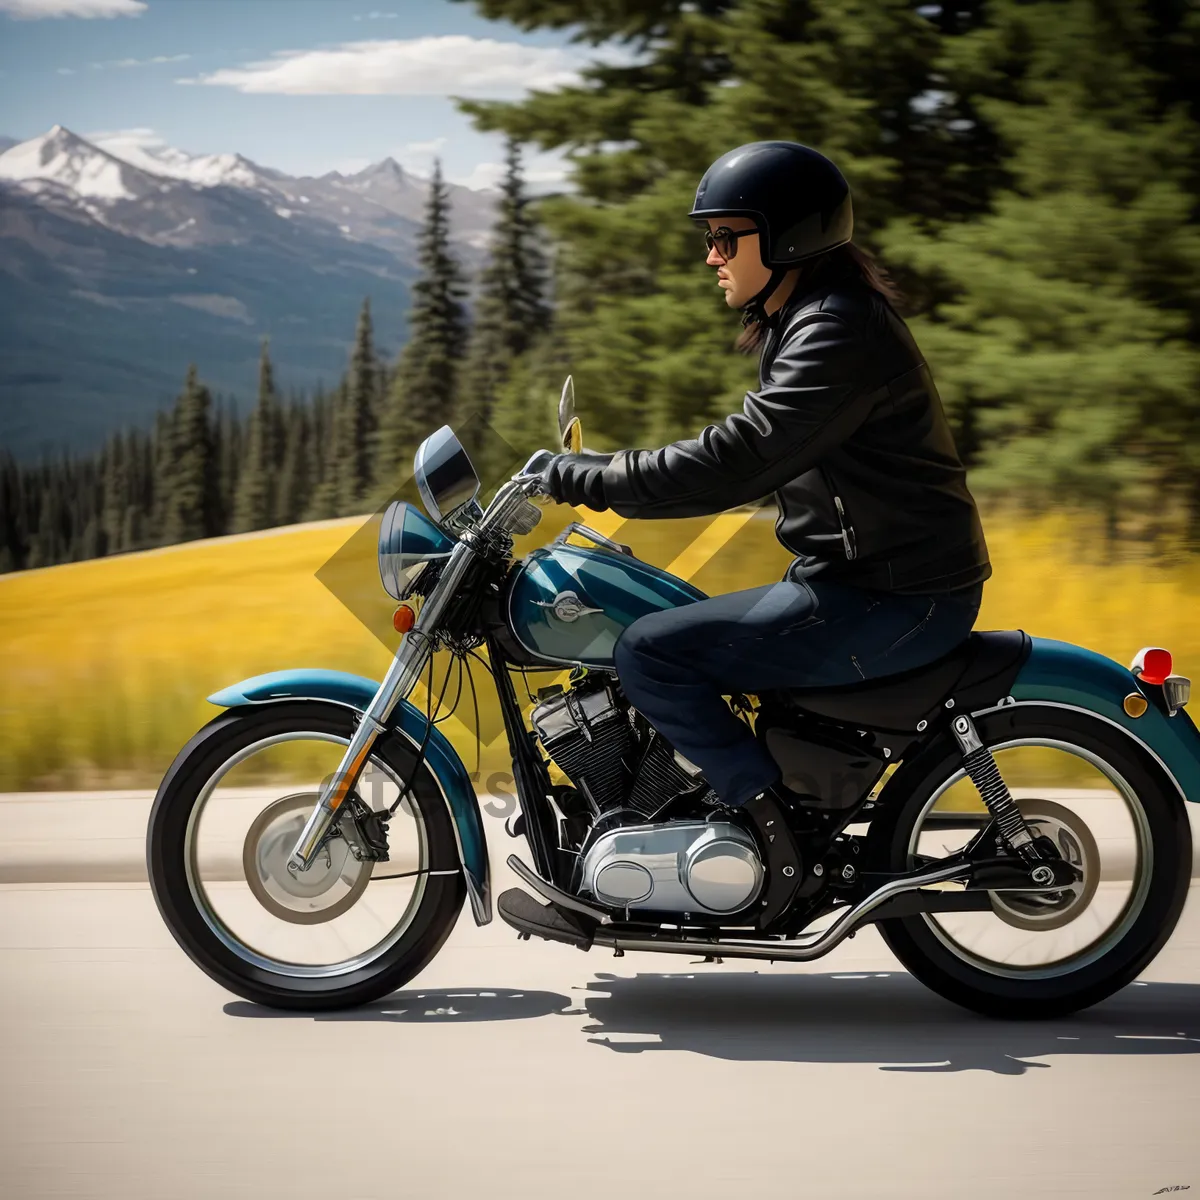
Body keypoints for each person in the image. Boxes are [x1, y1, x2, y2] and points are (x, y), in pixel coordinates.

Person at [536, 140, 991, 812]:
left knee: (652, 654)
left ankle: (763, 823)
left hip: (897, 599)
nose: (711, 255)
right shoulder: (809, 318)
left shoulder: (836, 331)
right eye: (709, 237)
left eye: (726, 237)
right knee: (664, 615)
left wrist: (590, 478)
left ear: (787, 239)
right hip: (861, 580)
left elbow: (740, 459)